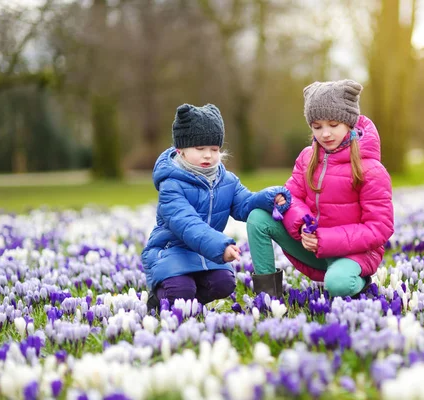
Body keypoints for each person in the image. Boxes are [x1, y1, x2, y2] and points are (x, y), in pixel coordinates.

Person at [246, 79, 394, 298]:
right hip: (313, 246)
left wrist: (325, 238)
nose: (325, 134)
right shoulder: (307, 158)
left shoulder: (370, 169)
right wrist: (304, 226)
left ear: (349, 122)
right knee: (258, 218)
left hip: (354, 254)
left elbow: (379, 227)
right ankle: (267, 297)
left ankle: (359, 282)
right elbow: (290, 198)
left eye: (333, 125)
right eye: (317, 127)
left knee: (337, 285)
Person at [141, 103, 290, 311]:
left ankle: (191, 305)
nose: (208, 155)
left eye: (214, 149)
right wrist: (221, 247)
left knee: (224, 283)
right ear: (180, 149)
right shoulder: (171, 185)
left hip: (205, 254)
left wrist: (268, 198)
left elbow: (245, 203)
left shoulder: (226, 180)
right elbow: (187, 223)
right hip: (172, 251)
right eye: (200, 148)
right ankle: (160, 301)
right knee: (181, 290)